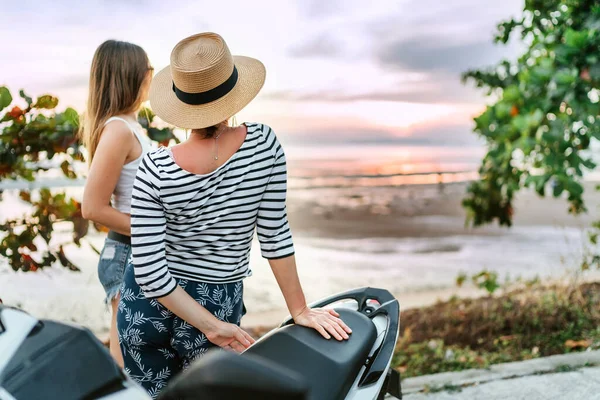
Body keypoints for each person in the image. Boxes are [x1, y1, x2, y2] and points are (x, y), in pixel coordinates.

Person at [117, 32, 352, 397]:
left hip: (144, 310)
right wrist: (300, 308)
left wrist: (207, 325)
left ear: (181, 102)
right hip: (216, 299)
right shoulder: (263, 145)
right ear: (233, 92)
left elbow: (149, 272)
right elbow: (274, 234)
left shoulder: (154, 167)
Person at [80, 40, 154, 368]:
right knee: (128, 366)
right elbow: (93, 208)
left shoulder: (131, 126)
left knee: (139, 360)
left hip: (135, 249)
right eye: (148, 68)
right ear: (134, 76)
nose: (153, 74)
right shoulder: (118, 130)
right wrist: (154, 229)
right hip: (127, 253)